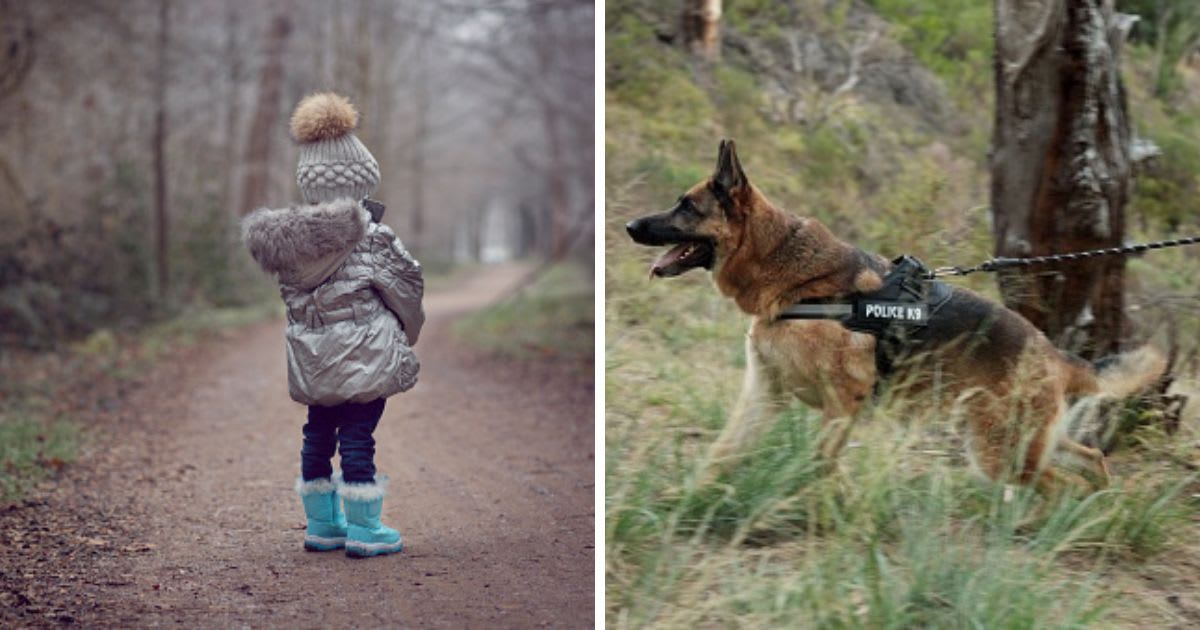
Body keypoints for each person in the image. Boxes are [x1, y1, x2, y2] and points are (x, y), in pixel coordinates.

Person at [242, 92, 423, 558]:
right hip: (365, 354)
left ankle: (323, 525)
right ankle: (365, 529)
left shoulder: (287, 247)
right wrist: (406, 333)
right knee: (359, 435)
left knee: (318, 432)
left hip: (313, 361)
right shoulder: (374, 238)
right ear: (362, 181)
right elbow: (407, 289)